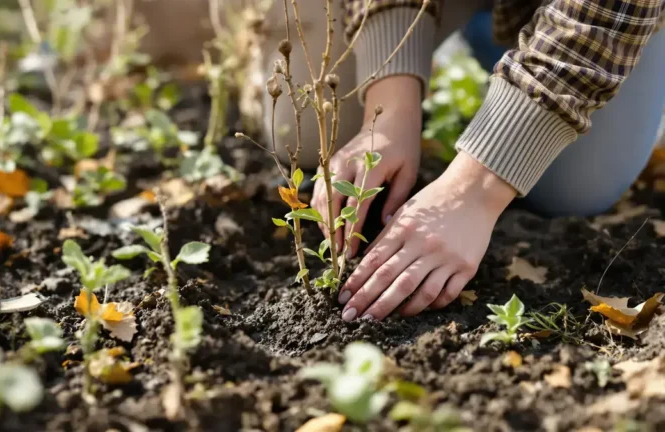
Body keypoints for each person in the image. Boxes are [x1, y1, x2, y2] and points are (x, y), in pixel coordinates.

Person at [259, 1, 665, 322]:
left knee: (575, 189)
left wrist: (474, 189)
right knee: (305, 133)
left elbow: (605, 13)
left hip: (602, 15)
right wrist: (390, 107)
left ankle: (503, 41)